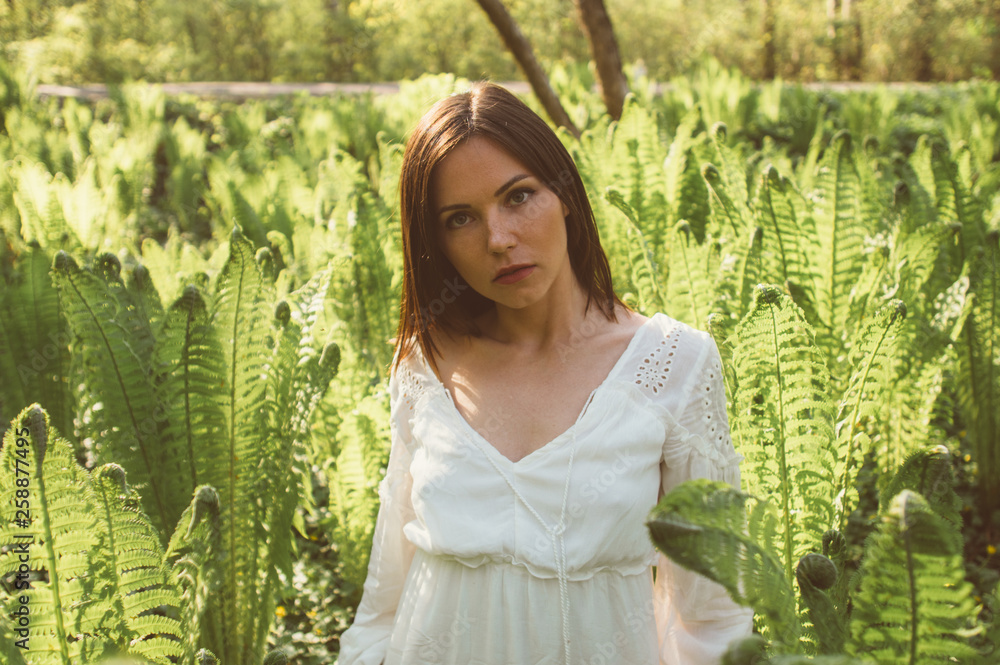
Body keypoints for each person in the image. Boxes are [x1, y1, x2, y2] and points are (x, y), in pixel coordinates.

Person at [336, 82, 753, 665]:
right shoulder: (424, 362)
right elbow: (386, 593)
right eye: (460, 218)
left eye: (518, 196)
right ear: (436, 243)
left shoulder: (674, 364)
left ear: (565, 195)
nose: (498, 240)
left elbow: (713, 615)